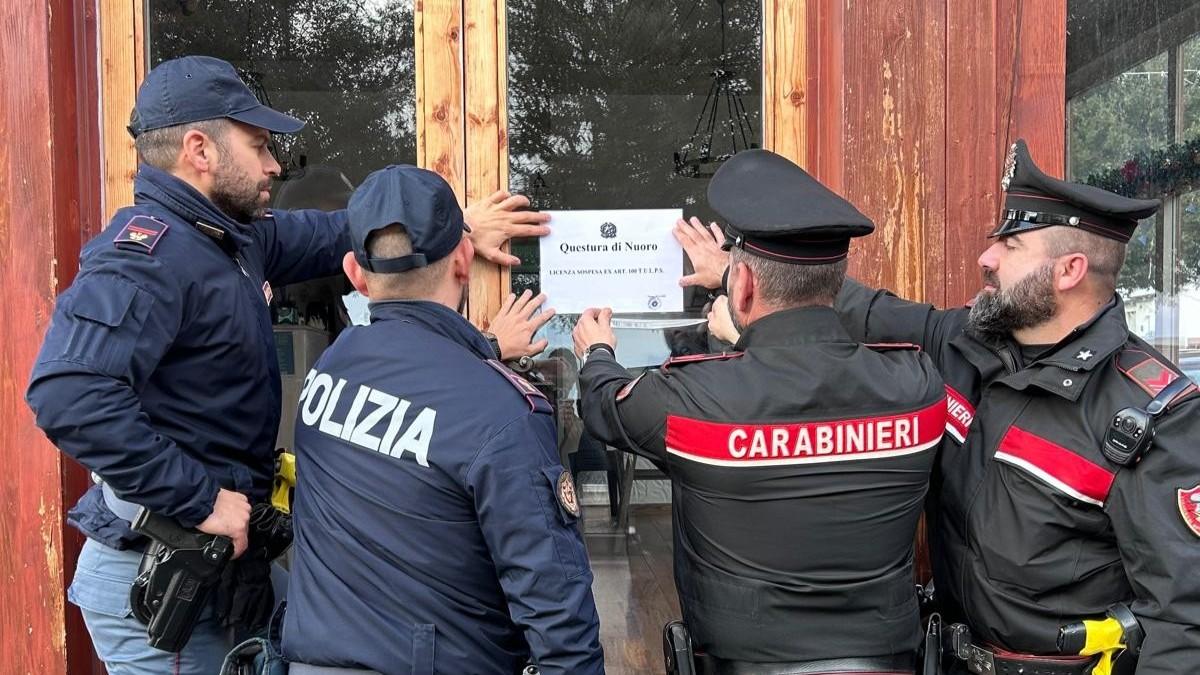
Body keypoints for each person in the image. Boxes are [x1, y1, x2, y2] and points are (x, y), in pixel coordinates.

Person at [25, 55, 553, 675]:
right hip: (165, 584)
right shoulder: (146, 258)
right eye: (258, 145)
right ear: (200, 149)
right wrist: (197, 499)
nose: (275, 164)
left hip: (225, 570)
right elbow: (67, 392)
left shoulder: (230, 236)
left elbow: (334, 234)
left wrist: (455, 228)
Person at [682, 141, 1200, 674]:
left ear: (1068, 270)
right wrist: (737, 273)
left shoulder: (1153, 415)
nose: (987, 257)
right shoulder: (967, 343)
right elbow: (857, 308)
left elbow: (1185, 621)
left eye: (1011, 245)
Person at [573, 149, 947, 674]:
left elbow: (602, 402)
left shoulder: (695, 397)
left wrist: (597, 351)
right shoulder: (919, 386)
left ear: (742, 284)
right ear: (837, 284)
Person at [282, 165, 604, 675]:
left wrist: (487, 349)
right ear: (463, 259)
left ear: (355, 274)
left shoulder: (330, 369)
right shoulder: (500, 412)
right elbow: (555, 606)